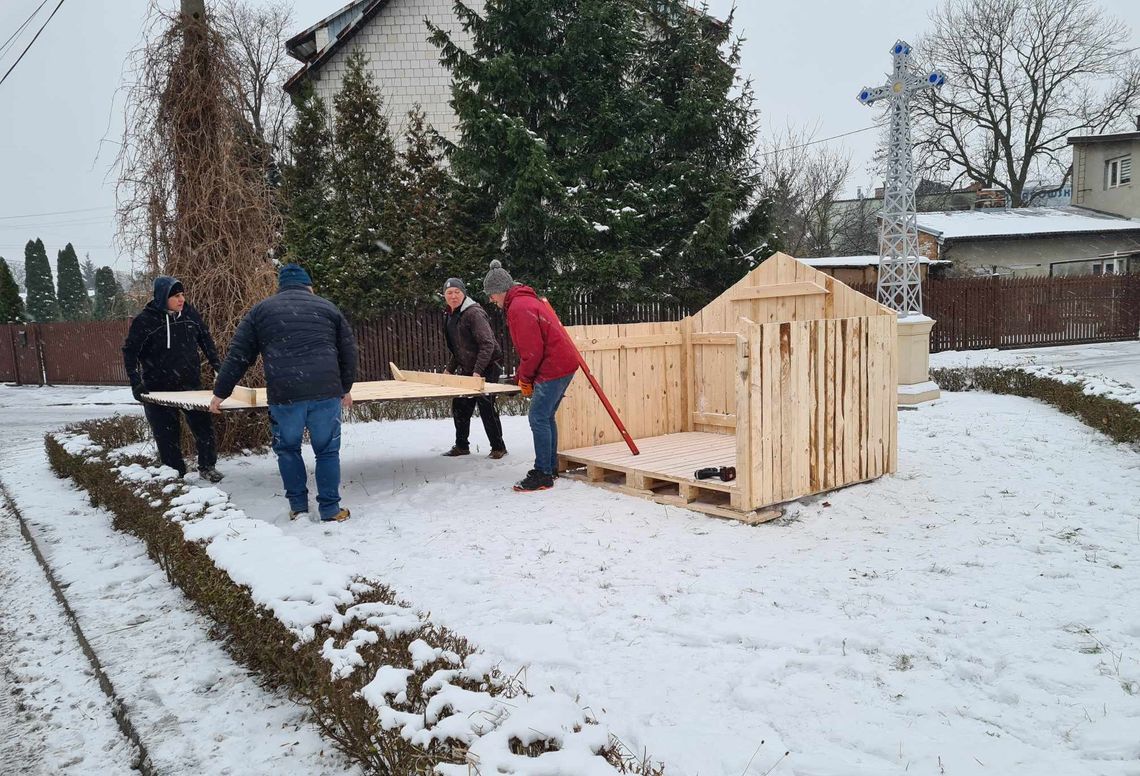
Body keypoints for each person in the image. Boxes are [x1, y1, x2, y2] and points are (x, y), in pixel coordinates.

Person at [208, 264, 357, 523]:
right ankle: (331, 510)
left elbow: (239, 356)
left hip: (285, 394)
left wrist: (220, 392)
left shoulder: (261, 311)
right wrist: (345, 388)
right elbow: (349, 352)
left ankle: (298, 508)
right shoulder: (327, 308)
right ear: (308, 286)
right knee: (327, 452)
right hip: (325, 393)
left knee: (288, 450)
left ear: (281, 286)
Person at [482, 260, 579, 492]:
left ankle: (543, 473)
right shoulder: (526, 300)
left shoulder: (518, 308)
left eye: (491, 295)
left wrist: (524, 379)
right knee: (546, 417)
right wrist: (522, 376)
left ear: (500, 291)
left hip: (553, 367)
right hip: (563, 364)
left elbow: (532, 351)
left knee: (538, 418)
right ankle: (550, 467)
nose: (491, 300)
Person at [123, 275, 224, 482]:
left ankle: (207, 466)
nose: (182, 300)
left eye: (183, 295)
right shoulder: (145, 321)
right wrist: (136, 382)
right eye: (176, 296)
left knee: (203, 428)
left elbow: (205, 340)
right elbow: (130, 352)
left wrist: (218, 368)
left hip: (190, 385)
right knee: (167, 435)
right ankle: (175, 474)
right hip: (158, 388)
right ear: (162, 297)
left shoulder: (189, 314)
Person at [441, 276, 508, 459]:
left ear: (463, 293)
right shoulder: (449, 315)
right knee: (460, 404)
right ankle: (462, 446)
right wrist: (449, 369)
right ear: (444, 296)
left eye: (457, 292)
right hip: (469, 366)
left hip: (488, 364)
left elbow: (488, 344)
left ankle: (498, 447)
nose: (453, 296)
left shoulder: (473, 313)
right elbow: (459, 348)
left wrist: (478, 371)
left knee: (486, 404)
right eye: (449, 293)